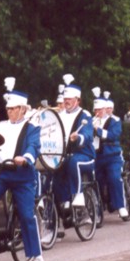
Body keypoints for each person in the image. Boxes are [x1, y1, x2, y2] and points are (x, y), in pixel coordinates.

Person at [0, 77, 44, 261]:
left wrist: (26, 157)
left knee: (26, 215)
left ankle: (38, 257)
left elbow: (34, 146)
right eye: (8, 108)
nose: (10, 112)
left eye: (14, 108)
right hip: (1, 173)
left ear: (23, 109)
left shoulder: (32, 127)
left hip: (23, 176)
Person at [55, 74, 95, 218]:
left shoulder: (85, 115)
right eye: (65, 99)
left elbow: (88, 135)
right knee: (54, 167)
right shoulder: (59, 115)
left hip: (86, 155)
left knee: (74, 162)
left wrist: (78, 137)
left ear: (77, 100)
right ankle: (60, 205)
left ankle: (79, 195)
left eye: (70, 99)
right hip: (65, 154)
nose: (66, 101)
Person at [92, 87, 130, 220]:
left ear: (105, 109)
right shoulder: (91, 121)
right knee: (96, 181)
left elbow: (113, 135)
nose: (97, 112)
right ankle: (98, 207)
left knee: (114, 178)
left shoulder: (115, 121)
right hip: (97, 156)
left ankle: (121, 207)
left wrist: (98, 130)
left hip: (112, 155)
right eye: (95, 110)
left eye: (100, 110)